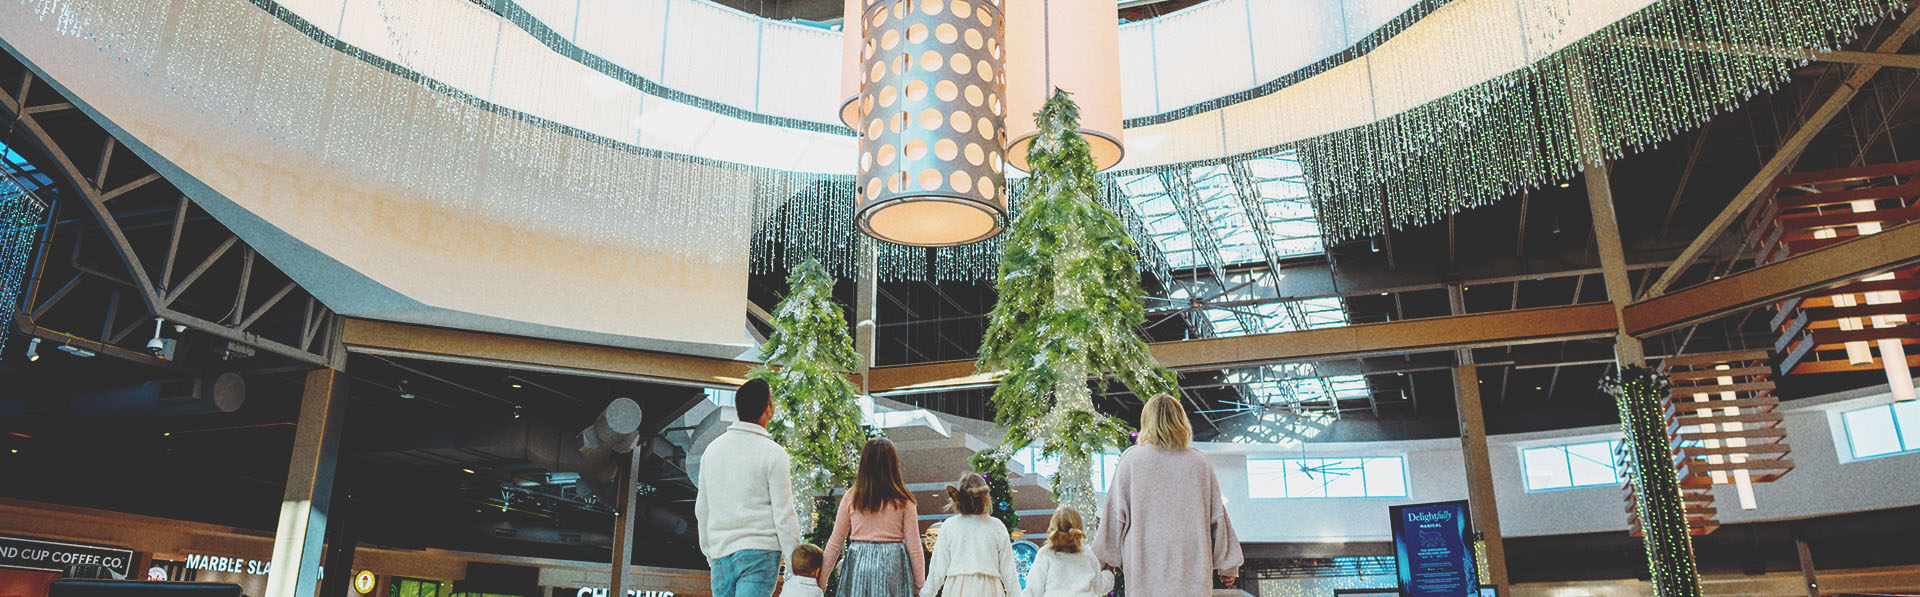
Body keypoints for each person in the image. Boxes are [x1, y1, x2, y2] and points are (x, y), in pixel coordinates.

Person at [1093, 393, 1243, 595]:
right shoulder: (1199, 463)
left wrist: (1100, 562)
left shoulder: (1132, 461)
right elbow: (1218, 517)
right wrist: (1228, 565)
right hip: (1192, 575)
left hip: (1144, 576)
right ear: (1181, 421)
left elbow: (1114, 517)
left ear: (1147, 421)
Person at [697, 378, 803, 597]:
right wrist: (794, 565)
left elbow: (702, 509)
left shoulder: (712, 450)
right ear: (768, 409)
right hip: (759, 552)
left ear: (738, 409)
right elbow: (784, 514)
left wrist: (710, 552)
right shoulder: (774, 454)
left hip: (720, 552)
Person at [820, 438, 927, 595]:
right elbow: (914, 547)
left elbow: (835, 543)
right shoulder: (904, 500)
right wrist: (920, 585)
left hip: (859, 563)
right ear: (893, 465)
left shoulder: (852, 496)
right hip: (893, 565)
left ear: (864, 464)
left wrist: (822, 581)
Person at [919, 473, 1020, 597]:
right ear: (986, 498)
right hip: (990, 590)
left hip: (956, 589)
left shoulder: (950, 526)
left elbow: (937, 569)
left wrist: (926, 594)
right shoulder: (996, 526)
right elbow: (1008, 571)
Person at [1023, 506, 1112, 597]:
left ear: (1051, 529)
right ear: (1079, 529)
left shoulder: (1045, 554)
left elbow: (1033, 591)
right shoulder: (1088, 555)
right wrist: (1109, 574)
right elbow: (1100, 587)